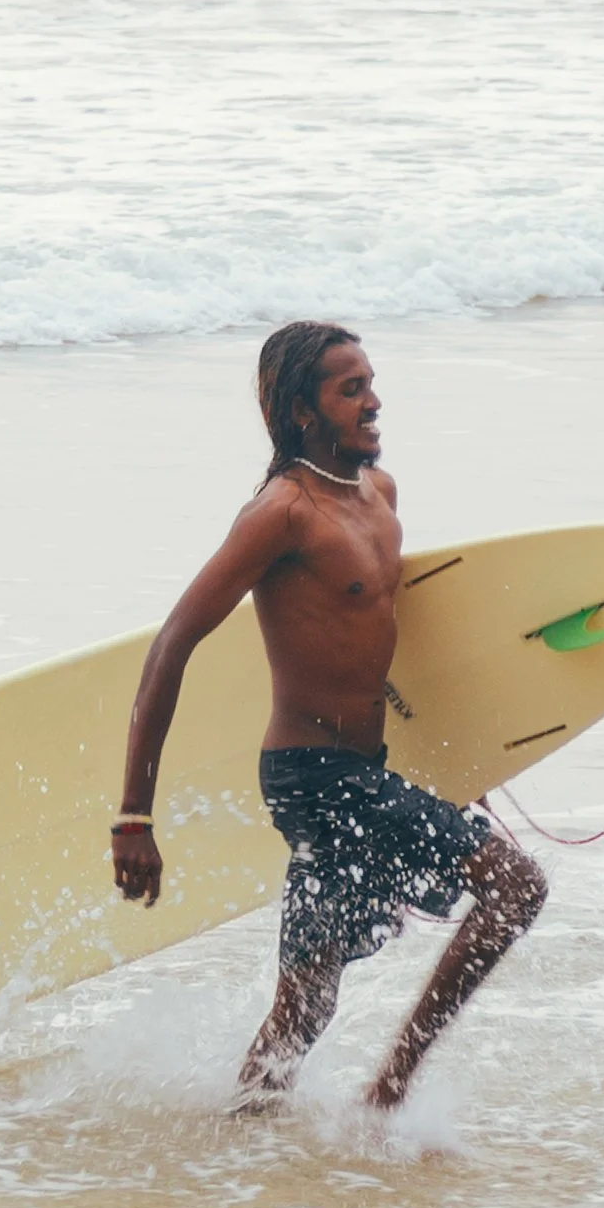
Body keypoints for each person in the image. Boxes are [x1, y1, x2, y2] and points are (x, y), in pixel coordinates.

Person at [111, 321, 547, 1112]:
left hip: (363, 770)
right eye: (351, 390)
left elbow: (374, 642)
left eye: (371, 383)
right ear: (302, 410)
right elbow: (172, 644)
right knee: (516, 887)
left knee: (306, 1007)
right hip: (313, 777)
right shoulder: (282, 514)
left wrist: (458, 761)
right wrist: (133, 816)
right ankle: (388, 1094)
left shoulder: (380, 494)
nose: (373, 402)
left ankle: (237, 1141)